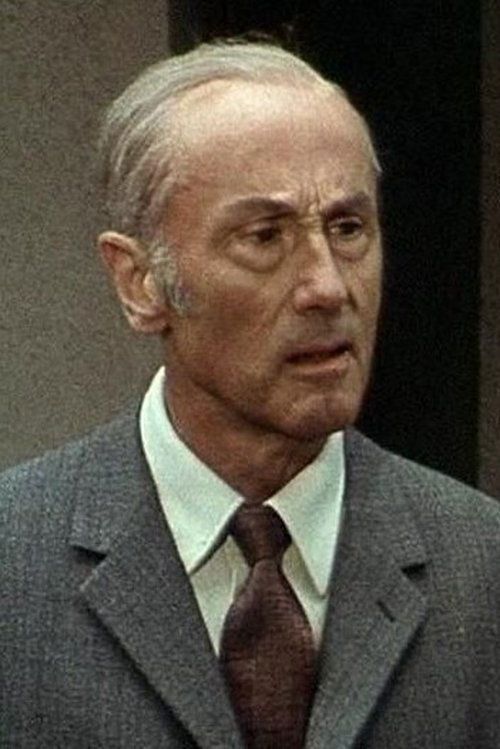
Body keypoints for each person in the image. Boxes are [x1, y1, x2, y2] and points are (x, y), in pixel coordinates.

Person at [1, 39, 500, 749]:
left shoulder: (481, 568)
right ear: (139, 283)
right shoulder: (15, 562)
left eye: (348, 228)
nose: (328, 286)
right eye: (265, 237)